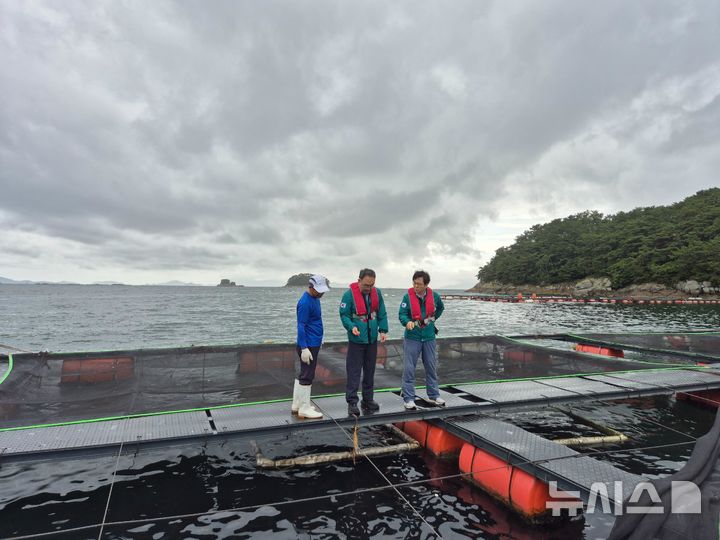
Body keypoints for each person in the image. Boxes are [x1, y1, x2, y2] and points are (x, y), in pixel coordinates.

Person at [339, 268, 388, 417]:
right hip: (356, 340)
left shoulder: (377, 293)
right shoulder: (348, 296)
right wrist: (351, 326)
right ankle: (352, 402)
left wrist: (383, 330)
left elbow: (382, 313)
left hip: (371, 340)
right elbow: (344, 315)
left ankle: (368, 399)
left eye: (371, 285)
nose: (369, 288)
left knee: (370, 370)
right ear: (359, 281)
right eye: (366, 285)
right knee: (354, 371)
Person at [398, 270, 445, 410]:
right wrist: (407, 322)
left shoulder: (434, 296)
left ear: (426, 284)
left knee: (431, 365)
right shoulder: (407, 297)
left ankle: (434, 395)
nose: (415, 286)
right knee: (409, 368)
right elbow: (402, 314)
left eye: (418, 284)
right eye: (414, 283)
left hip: (429, 336)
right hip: (412, 337)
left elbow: (441, 308)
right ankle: (408, 398)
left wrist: (433, 318)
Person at [292, 274, 330, 419]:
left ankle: (297, 404)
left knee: (303, 373)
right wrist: (304, 348)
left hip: (313, 342)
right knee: (308, 375)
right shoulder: (305, 302)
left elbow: (315, 321)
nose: (322, 293)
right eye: (319, 290)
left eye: (323, 290)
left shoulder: (315, 299)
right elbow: (301, 326)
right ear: (311, 287)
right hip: (308, 345)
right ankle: (304, 408)